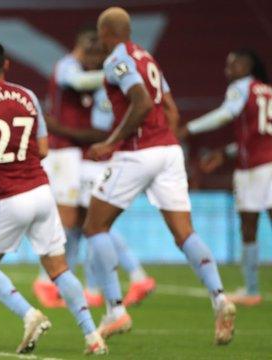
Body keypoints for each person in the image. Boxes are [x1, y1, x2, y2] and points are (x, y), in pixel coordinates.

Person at [81, 7, 236, 345]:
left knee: (94, 226)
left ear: (107, 32)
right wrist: (165, 140)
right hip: (168, 150)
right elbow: (170, 108)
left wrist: (110, 142)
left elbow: (141, 103)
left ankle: (114, 309)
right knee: (184, 233)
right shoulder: (147, 57)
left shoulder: (117, 60)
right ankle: (219, 297)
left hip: (138, 152)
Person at [0, 40, 108, 355]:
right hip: (41, 190)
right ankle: (93, 336)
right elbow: (45, 149)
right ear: (6, 65)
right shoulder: (28, 95)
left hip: (9, 196)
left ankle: (30, 315)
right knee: (59, 267)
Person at [36, 28, 155, 309]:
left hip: (83, 157)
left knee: (88, 223)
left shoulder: (102, 85)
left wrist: (61, 128)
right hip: (76, 156)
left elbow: (101, 130)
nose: (91, 60)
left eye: (96, 54)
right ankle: (80, 286)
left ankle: (129, 277)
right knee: (81, 224)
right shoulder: (76, 71)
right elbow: (78, 84)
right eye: (91, 53)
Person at [179, 49, 272, 306]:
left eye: (232, 64)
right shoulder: (266, 90)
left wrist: (189, 128)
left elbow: (226, 114)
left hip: (253, 169)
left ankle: (252, 290)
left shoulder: (241, 87)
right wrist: (226, 151)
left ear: (246, 66)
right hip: (266, 162)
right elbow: (260, 133)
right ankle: (251, 289)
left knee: (248, 227)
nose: (227, 70)